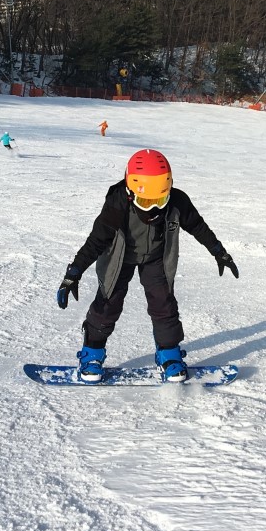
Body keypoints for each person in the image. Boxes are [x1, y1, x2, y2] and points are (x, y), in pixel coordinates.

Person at [56, 148, 239, 383]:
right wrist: (74, 272)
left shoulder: (177, 201)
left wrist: (219, 252)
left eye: (159, 200)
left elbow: (197, 226)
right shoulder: (117, 202)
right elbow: (96, 240)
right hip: (119, 259)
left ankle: (168, 354)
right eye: (145, 201)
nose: (153, 208)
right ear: (131, 192)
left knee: (164, 302)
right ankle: (91, 354)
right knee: (108, 302)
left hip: (155, 258)